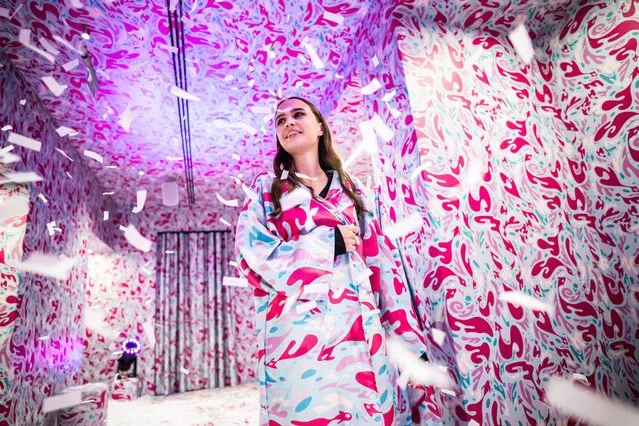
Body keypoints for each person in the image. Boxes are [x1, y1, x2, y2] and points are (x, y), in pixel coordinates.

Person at [234, 97, 429, 425]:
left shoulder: (354, 193)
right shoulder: (267, 192)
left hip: (361, 337)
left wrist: (409, 343)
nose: (288, 123)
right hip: (299, 343)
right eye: (280, 120)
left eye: (298, 114)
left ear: (320, 127)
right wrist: (327, 243)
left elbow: (385, 268)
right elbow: (249, 258)